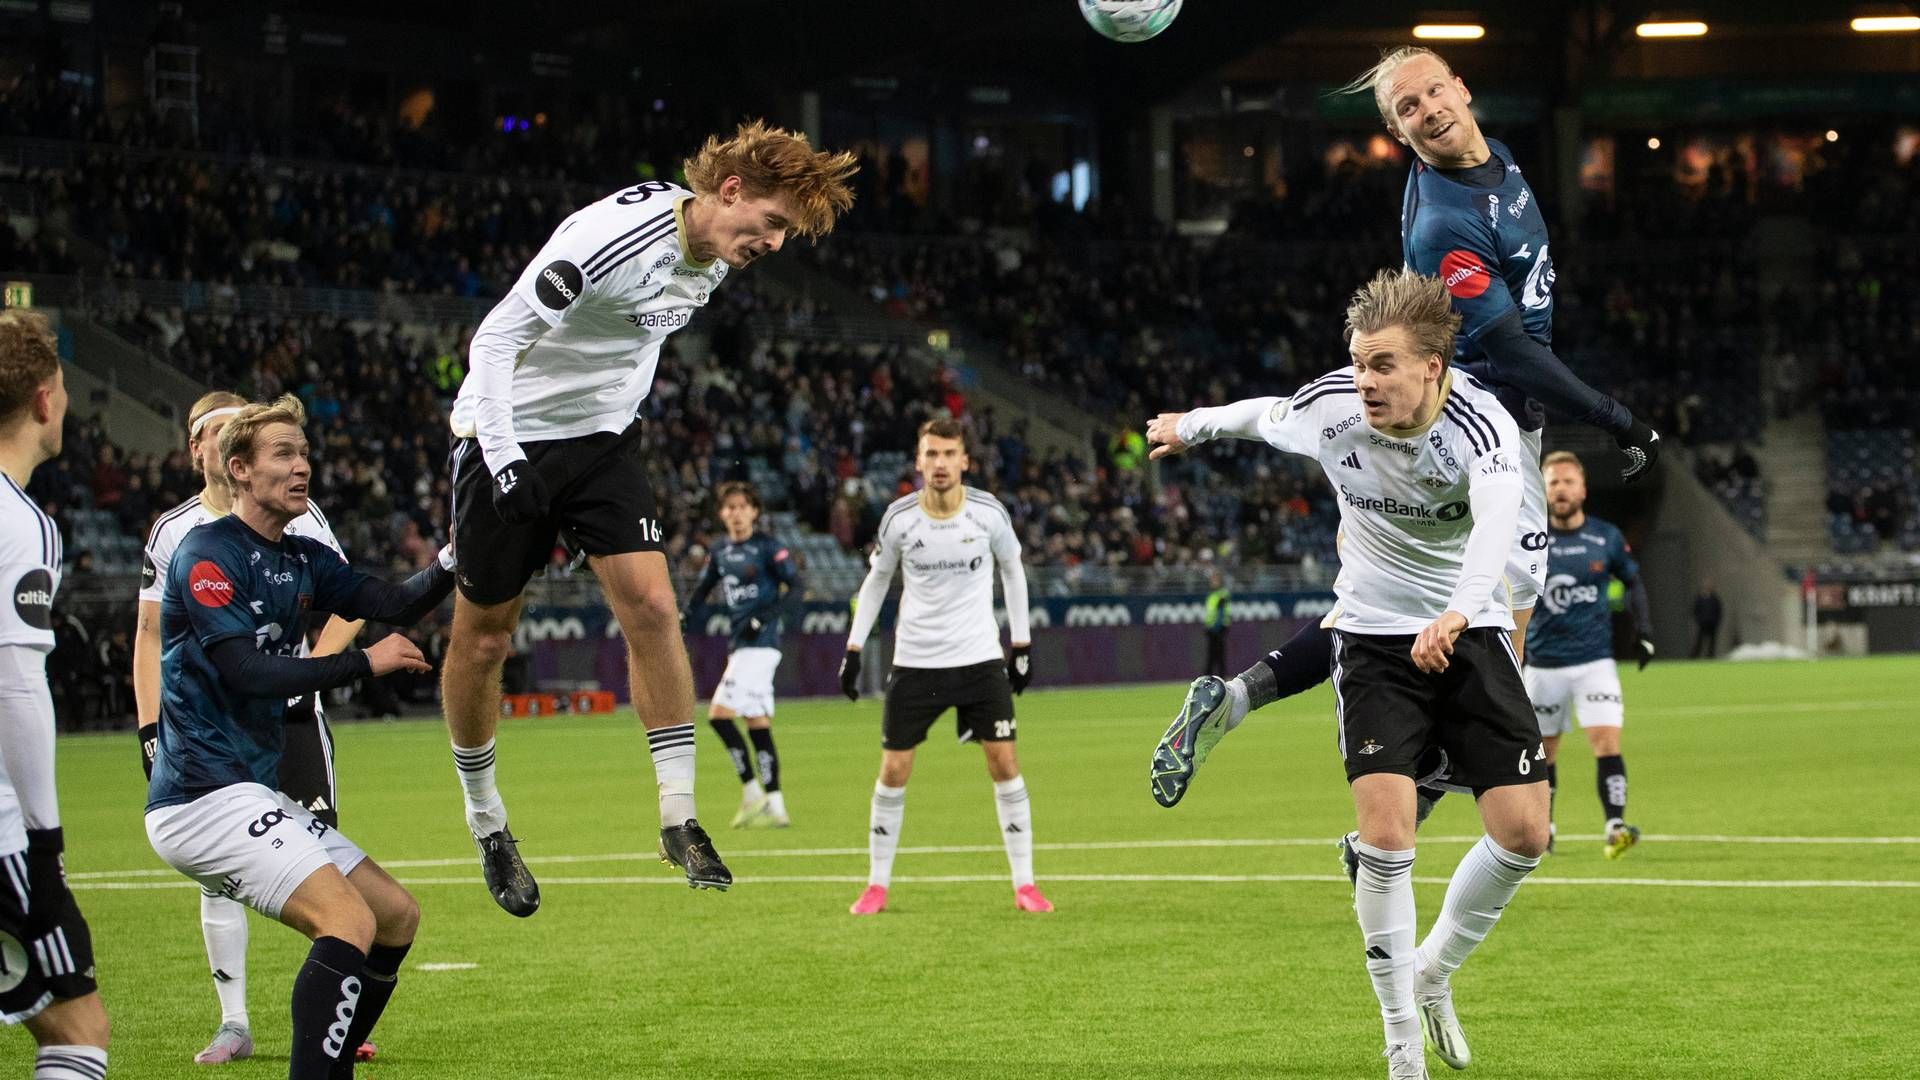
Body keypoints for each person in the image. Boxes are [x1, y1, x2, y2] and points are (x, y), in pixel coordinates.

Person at [1151, 42, 1662, 815]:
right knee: (1499, 624)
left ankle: (1241, 699)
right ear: (1399, 134)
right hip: (1469, 429)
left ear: (1461, 87)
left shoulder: (1500, 160)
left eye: (1432, 94)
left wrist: (1193, 426)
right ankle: (1437, 786)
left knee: (1381, 614)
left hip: (1470, 420)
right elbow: (1510, 351)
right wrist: (1617, 419)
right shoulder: (1442, 224)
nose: (1429, 113)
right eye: (1407, 111)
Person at [441, 120, 856, 911]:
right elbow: (494, 342)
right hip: (510, 434)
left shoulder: (720, 255)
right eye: (770, 222)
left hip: (601, 443)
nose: (773, 243)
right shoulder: (609, 238)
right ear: (729, 190)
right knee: (484, 639)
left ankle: (678, 816)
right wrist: (505, 460)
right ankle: (488, 821)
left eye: (785, 234)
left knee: (656, 607)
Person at [1147, 270, 1550, 1079]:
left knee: (1524, 834)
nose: (1366, 381)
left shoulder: (1484, 428)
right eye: (1361, 362)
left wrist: (1462, 613)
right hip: (1369, 638)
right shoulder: (1332, 407)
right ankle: (1401, 1041)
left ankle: (1432, 974)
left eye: (1385, 366)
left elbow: (1496, 529)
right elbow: (1261, 417)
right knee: (1387, 835)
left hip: (1466, 630)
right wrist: (1190, 427)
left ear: (1433, 367)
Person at [143, 395, 455, 1080]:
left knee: (395, 915)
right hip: (199, 796)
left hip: (246, 789)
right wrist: (361, 662)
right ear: (239, 471)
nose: (302, 466)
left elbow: (395, 602)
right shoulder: (205, 554)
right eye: (283, 454)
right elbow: (246, 671)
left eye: (304, 453)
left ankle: (328, 1061)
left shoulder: (302, 557)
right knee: (346, 921)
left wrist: (460, 555)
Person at [133, 390, 371, 1065]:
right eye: (207, 430)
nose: (218, 439)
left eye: (229, 427)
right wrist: (149, 728)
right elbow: (148, 634)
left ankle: (331, 1006)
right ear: (197, 451)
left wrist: (315, 674)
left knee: (321, 862)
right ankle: (234, 1022)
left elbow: (348, 597)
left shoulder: (299, 514)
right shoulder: (174, 531)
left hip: (290, 720)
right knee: (219, 873)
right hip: (207, 730)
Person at [838, 419, 1047, 916]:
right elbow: (876, 580)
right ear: (918, 460)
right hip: (916, 661)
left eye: (949, 454)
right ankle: (876, 885)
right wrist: (852, 648)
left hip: (979, 658)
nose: (939, 463)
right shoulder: (898, 519)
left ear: (964, 461)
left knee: (1004, 763)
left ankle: (1026, 885)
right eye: (931, 454)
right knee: (893, 769)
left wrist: (1021, 644)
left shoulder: (988, 514)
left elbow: (1013, 571)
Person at [0, 310, 111, 1080]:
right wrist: (46, 847)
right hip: (1, 835)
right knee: (77, 1030)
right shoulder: (19, 522)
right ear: (44, 400)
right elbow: (15, 682)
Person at [1523, 452, 1653, 858]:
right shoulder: (1529, 538)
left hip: (1595, 661)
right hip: (1543, 664)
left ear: (1582, 489)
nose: (1560, 489)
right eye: (1552, 483)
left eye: (1567, 481)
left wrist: (1644, 631)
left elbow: (1633, 582)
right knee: (1545, 752)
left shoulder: (1606, 537)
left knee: (1606, 741)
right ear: (1543, 490)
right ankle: (1545, 828)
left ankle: (1615, 826)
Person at [682, 482, 802, 828]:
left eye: (742, 506)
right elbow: (704, 588)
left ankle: (752, 790)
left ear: (754, 511)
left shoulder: (768, 548)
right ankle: (776, 805)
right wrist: (686, 615)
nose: (735, 513)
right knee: (757, 724)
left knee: (719, 716)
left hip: (760, 645)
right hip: (742, 645)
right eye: (729, 507)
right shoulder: (720, 553)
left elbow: (795, 587)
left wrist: (762, 618)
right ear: (722, 514)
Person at [1203, 572, 1230, 677]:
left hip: (1218, 628)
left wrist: (1216, 627)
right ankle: (1212, 676)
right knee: (1213, 654)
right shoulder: (1212, 595)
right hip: (1212, 628)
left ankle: (1217, 677)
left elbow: (1220, 613)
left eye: (1215, 580)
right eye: (1212, 580)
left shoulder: (1221, 594)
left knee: (1217, 655)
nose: (1213, 582)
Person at [1692, 579, 1722, 658]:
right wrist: (1699, 620)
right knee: (1700, 641)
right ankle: (1695, 657)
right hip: (1703, 623)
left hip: (1712, 623)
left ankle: (1710, 657)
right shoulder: (1700, 599)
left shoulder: (1714, 599)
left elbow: (1718, 610)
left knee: (1712, 642)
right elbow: (1695, 610)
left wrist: (1716, 621)